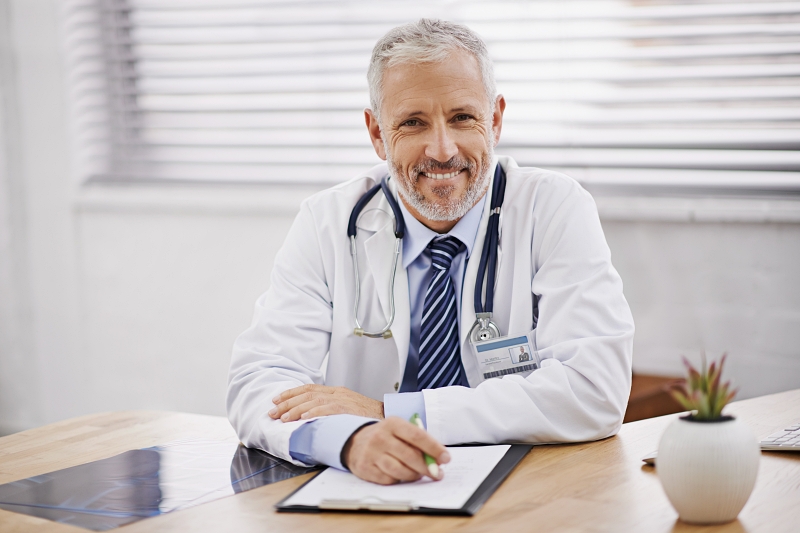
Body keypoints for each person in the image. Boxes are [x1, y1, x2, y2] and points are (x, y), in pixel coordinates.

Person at [227, 19, 634, 486]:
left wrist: (390, 412)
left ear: (495, 120)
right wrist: (350, 440)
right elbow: (258, 382)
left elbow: (593, 390)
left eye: (462, 117)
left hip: (529, 487)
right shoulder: (328, 221)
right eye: (413, 122)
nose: (442, 150)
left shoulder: (554, 208)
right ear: (377, 133)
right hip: (376, 492)